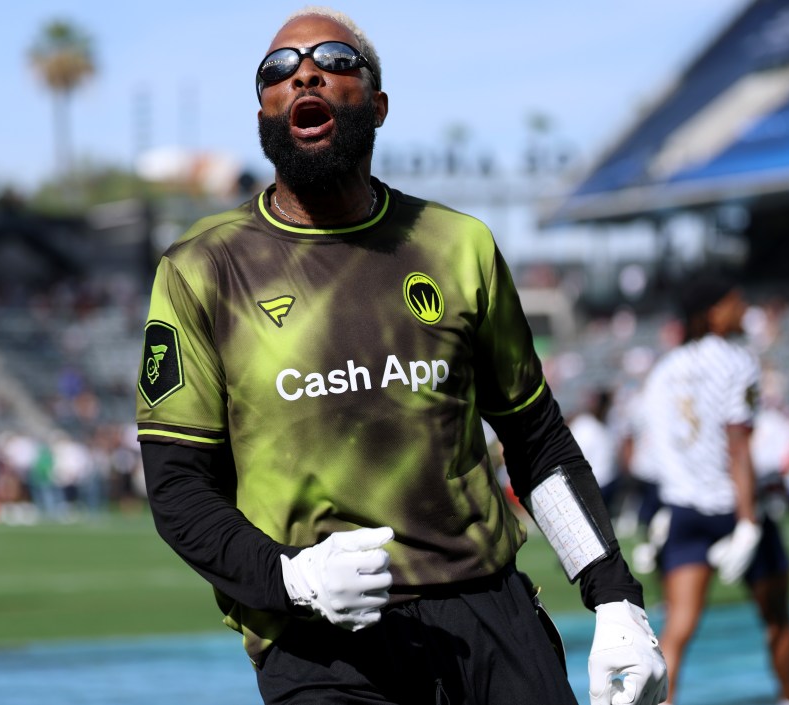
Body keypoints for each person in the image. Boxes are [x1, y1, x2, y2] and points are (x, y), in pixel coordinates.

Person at [135, 7, 666, 705]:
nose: (304, 75)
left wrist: (615, 597)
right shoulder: (202, 268)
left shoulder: (459, 245)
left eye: (334, 60)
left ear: (377, 106)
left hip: (491, 617)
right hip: (321, 639)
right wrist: (288, 576)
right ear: (264, 114)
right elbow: (178, 489)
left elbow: (535, 442)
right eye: (277, 71)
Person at [637, 275, 789, 705]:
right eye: (734, 301)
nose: (742, 309)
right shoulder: (737, 361)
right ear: (712, 311)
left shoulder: (662, 371)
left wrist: (659, 511)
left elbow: (655, 451)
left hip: (684, 511)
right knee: (777, 620)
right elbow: (738, 446)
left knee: (677, 629)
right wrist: (748, 522)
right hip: (733, 507)